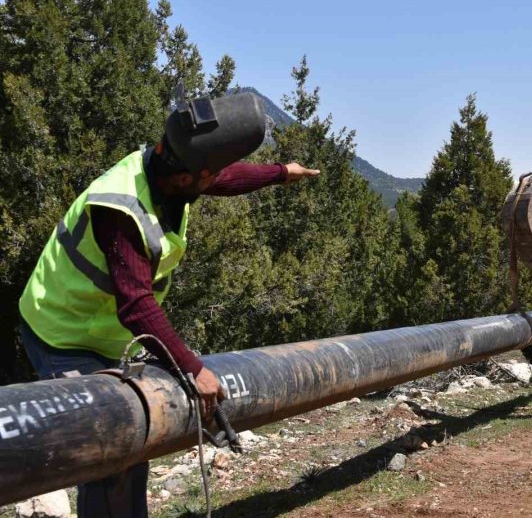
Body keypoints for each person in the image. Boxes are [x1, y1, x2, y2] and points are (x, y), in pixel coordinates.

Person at [18, 92, 319, 518]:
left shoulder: (171, 167)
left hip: (104, 331)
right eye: (207, 176)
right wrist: (193, 369)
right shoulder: (121, 208)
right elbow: (136, 305)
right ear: (187, 177)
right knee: (110, 445)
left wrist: (279, 173)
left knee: (133, 447)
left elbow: (225, 178)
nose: (213, 181)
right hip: (61, 331)